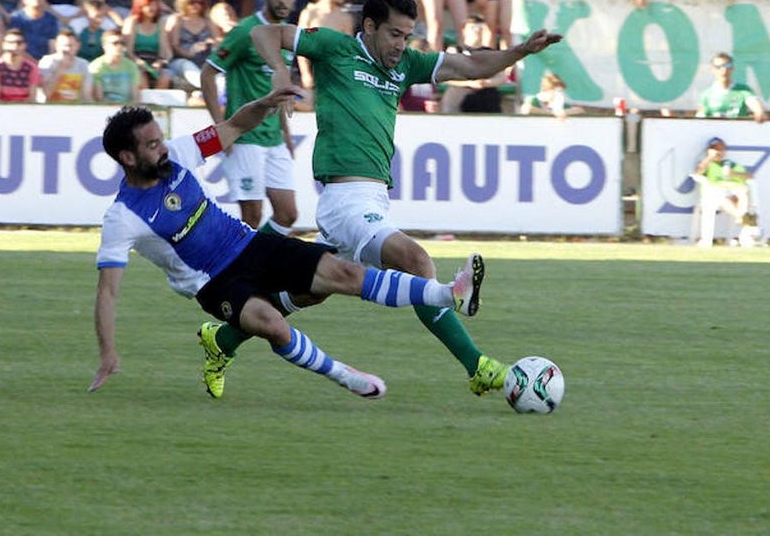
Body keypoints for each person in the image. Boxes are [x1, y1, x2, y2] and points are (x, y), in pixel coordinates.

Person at [232, 0, 563, 400]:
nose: (400, 45)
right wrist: (281, 72)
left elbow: (471, 63)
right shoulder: (334, 47)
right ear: (369, 27)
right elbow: (265, 33)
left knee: (310, 290)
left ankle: (225, 337)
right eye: (393, 34)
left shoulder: (406, 64)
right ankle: (477, 366)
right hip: (343, 198)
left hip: (373, 199)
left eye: (407, 35)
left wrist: (520, 52)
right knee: (416, 261)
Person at [89, 84, 485, 398]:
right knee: (272, 325)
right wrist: (108, 351)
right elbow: (107, 293)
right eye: (152, 144)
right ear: (127, 157)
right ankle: (347, 377)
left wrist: (264, 103)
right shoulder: (124, 216)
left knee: (343, 274)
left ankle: (449, 293)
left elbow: (234, 127)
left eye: (161, 139)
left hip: (250, 245)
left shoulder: (177, 155)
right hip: (214, 282)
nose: (162, 148)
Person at [200, 0, 300, 232]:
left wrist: (286, 134)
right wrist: (222, 128)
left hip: (274, 139)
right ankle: (234, 270)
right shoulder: (246, 31)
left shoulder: (289, 36)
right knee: (251, 216)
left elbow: (279, 89)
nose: (283, 1)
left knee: (288, 214)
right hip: (245, 137)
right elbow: (207, 74)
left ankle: (253, 264)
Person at [694, 136, 759, 246]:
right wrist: (709, 158)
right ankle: (743, 220)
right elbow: (698, 172)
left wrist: (733, 173)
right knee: (722, 197)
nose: (718, 152)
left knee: (743, 191)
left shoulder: (729, 164)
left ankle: (742, 219)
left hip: (732, 192)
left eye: (721, 149)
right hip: (714, 193)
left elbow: (749, 176)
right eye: (715, 149)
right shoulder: (707, 164)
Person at [697, 51, 768, 121]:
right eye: (718, 67)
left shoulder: (743, 90)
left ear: (732, 68)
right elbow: (700, 117)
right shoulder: (706, 95)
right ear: (713, 69)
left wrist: (759, 112)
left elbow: (756, 107)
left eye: (728, 66)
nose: (724, 70)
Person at [0, 28, 42, 102]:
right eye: (10, 42)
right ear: (3, 44)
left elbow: (32, 98)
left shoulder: (32, 68)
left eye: (19, 43)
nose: (15, 46)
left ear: (24, 45)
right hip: (2, 109)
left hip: (24, 109)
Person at [39, 28, 94, 102]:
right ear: (56, 45)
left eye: (70, 46)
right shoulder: (47, 62)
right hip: (51, 108)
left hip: (75, 109)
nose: (66, 49)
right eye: (63, 45)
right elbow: (46, 94)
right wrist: (60, 69)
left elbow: (86, 95)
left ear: (78, 46)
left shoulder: (84, 64)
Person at [89, 28, 141, 103]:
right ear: (104, 46)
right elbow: (99, 98)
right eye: (115, 43)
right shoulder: (95, 67)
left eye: (122, 43)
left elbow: (135, 96)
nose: (119, 46)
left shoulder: (131, 66)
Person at [520, 70, 585, 118]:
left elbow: (579, 110)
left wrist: (563, 112)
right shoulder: (534, 100)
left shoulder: (559, 103)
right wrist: (553, 113)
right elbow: (526, 109)